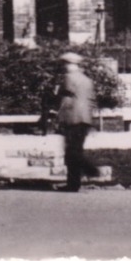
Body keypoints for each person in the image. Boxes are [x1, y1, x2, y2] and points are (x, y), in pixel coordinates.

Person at [55, 52, 97, 191]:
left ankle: (89, 170)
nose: (63, 67)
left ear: (68, 65)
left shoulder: (68, 78)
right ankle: (74, 183)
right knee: (75, 150)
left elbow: (63, 97)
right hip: (85, 118)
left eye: (64, 64)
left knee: (72, 152)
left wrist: (59, 116)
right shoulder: (87, 80)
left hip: (73, 117)